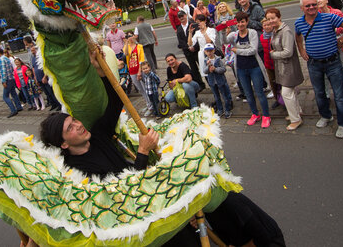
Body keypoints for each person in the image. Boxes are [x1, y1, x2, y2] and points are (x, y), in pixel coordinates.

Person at [39, 56, 285, 246]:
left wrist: (102, 72)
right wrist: (143, 152)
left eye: (74, 120)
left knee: (219, 196)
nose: (79, 125)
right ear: (63, 144)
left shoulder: (98, 134)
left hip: (155, 185)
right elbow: (123, 195)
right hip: (141, 212)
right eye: (70, 128)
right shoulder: (78, 169)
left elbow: (115, 102)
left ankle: (255, 238)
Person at [295, 0, 343, 138]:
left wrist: (341, 39)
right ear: (302, 8)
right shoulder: (299, 22)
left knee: (340, 95)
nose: (311, 7)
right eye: (308, 6)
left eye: (313, 4)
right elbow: (298, 37)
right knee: (319, 93)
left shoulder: (329, 18)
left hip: (333, 62)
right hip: (313, 64)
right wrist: (302, 50)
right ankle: (326, 116)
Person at [225, 12, 272, 128]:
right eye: (238, 22)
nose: (240, 24)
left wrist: (238, 50)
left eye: (242, 22)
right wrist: (223, 32)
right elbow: (223, 42)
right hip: (241, 69)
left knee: (259, 92)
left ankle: (266, 115)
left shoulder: (252, 33)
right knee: (248, 94)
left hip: (254, 67)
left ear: (247, 22)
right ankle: (255, 114)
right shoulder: (234, 35)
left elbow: (253, 50)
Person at [266, 8, 304, 130]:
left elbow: (288, 52)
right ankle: (297, 111)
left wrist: (273, 54)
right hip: (282, 67)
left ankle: (296, 119)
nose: (271, 21)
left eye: (273, 18)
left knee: (286, 93)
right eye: (268, 19)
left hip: (288, 67)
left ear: (279, 17)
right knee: (290, 91)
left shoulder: (285, 31)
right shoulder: (276, 30)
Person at [176, 11, 206, 89]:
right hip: (188, 53)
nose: (181, 18)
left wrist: (194, 47)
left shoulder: (193, 25)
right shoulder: (179, 29)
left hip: (196, 51)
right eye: (179, 17)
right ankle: (200, 84)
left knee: (203, 67)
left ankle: (209, 81)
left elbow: (199, 37)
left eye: (182, 16)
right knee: (194, 69)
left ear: (186, 15)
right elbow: (181, 42)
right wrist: (188, 47)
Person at [124, 32, 152, 115]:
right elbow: (126, 54)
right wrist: (126, 43)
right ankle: (148, 104)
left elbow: (141, 60)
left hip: (140, 70)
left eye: (131, 35)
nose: (130, 37)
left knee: (146, 88)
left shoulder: (139, 46)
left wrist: (140, 71)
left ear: (134, 36)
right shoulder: (127, 47)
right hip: (132, 71)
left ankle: (151, 105)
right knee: (140, 89)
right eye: (127, 36)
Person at [202, 43, 232, 118]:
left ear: (214, 50)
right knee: (216, 96)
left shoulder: (218, 59)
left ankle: (227, 110)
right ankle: (220, 109)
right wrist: (208, 67)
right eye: (207, 51)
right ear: (205, 52)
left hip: (221, 81)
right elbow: (204, 71)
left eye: (211, 50)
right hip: (212, 82)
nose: (209, 52)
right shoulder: (205, 61)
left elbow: (223, 69)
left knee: (225, 96)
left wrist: (215, 69)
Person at [29, 44, 61, 111]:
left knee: (51, 92)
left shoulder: (41, 57)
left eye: (33, 50)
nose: (32, 52)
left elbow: (46, 67)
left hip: (44, 77)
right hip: (38, 78)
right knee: (47, 93)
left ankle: (58, 104)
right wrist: (35, 78)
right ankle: (53, 104)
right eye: (31, 51)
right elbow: (33, 68)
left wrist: (45, 76)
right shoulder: (33, 58)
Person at [0, 47, 23, 117]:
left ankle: (13, 110)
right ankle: (19, 106)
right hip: (11, 78)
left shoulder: (1, 60)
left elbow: (3, 71)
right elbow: (10, 68)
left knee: (5, 96)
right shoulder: (6, 58)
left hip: (7, 80)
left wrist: (3, 81)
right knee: (13, 93)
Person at [189, 14, 217, 82]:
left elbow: (209, 42)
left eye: (200, 22)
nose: (199, 24)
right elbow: (190, 44)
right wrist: (190, 33)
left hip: (210, 52)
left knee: (214, 70)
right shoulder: (197, 32)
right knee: (206, 71)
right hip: (202, 53)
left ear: (205, 21)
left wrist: (204, 32)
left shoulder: (211, 30)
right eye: (197, 22)